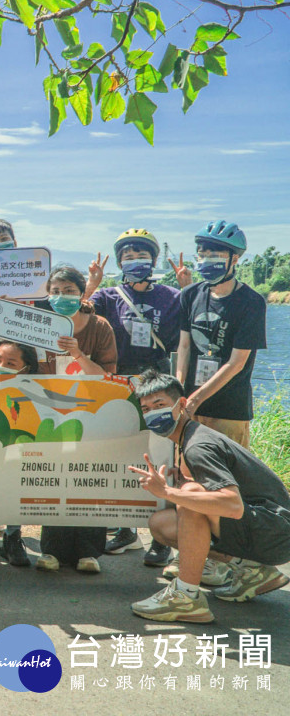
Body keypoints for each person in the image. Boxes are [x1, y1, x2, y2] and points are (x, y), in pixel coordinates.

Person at [130, 370, 290, 623]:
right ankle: (252, 571)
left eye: (160, 405)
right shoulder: (191, 436)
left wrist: (169, 491)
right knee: (161, 524)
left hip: (275, 532)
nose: (153, 414)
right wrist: (180, 483)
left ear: (182, 404)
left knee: (190, 496)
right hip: (269, 528)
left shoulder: (198, 446)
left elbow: (232, 505)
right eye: (146, 409)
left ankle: (186, 597)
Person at [88, 229, 181, 565]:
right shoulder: (109, 296)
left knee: (161, 457)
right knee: (122, 455)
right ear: (120, 263)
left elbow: (189, 335)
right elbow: (78, 316)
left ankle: (161, 539)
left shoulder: (172, 296)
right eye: (127, 257)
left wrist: (187, 286)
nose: (134, 261)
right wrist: (91, 283)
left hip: (158, 384)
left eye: (141, 256)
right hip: (119, 382)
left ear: (152, 261)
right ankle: (126, 530)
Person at [32, 266, 118, 574]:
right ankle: (52, 550)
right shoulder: (40, 325)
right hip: (51, 412)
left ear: (82, 294)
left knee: (88, 478)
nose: (61, 297)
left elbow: (108, 376)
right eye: (55, 291)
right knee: (55, 476)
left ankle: (89, 551)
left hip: (92, 412)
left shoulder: (100, 326)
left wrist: (79, 354)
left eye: (68, 291)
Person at [176, 221, 265, 448]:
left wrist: (196, 399)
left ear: (234, 259)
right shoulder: (190, 295)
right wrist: (178, 388)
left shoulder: (251, 302)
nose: (206, 260)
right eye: (202, 255)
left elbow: (237, 363)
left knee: (229, 477)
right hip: (189, 407)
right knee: (187, 477)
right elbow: (184, 347)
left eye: (214, 255)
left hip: (229, 410)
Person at [0, 339, 41, 567]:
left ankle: (13, 537)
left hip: (17, 447)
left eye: (11, 363)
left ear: (26, 368)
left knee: (15, 482)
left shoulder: (34, 389)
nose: (2, 365)